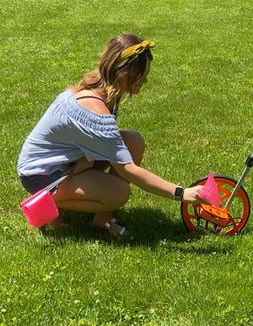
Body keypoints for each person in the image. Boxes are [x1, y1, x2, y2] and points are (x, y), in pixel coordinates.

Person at [17, 34, 207, 238]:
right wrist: (182, 193)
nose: (146, 80)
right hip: (42, 175)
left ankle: (102, 218)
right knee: (118, 192)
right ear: (126, 72)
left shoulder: (104, 94)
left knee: (133, 141)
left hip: (67, 163)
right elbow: (129, 170)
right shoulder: (94, 112)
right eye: (143, 74)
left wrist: (85, 161)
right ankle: (45, 202)